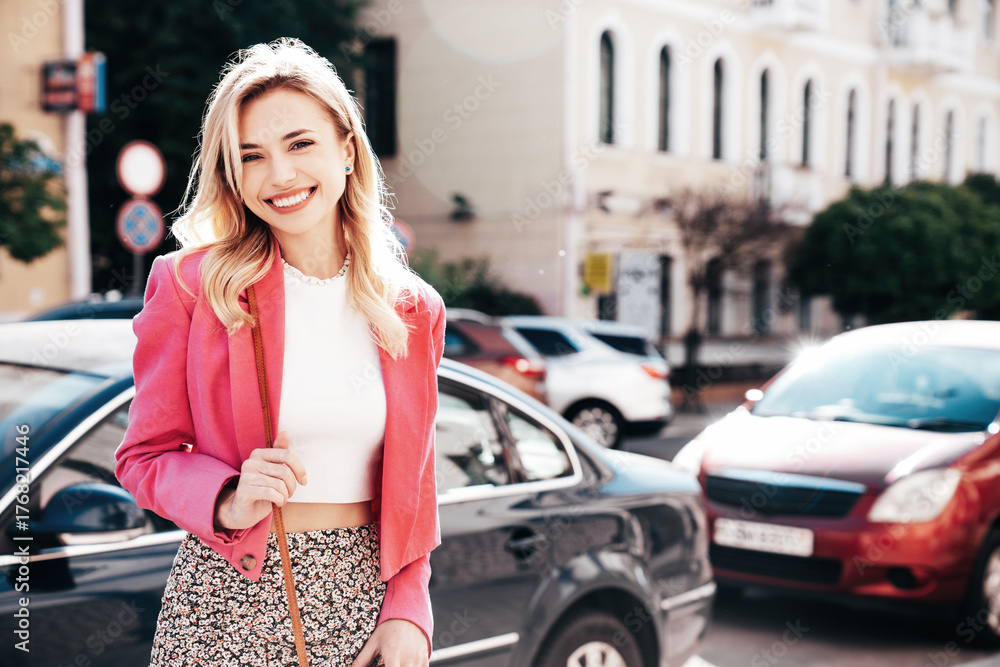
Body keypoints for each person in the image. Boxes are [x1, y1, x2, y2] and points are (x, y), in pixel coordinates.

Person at [114, 37, 445, 667]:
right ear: (233, 175)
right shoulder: (193, 286)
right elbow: (142, 457)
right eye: (252, 156)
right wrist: (229, 496)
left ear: (347, 149)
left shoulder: (412, 308)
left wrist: (410, 609)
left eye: (300, 144)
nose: (281, 176)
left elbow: (416, 485)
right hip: (228, 600)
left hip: (363, 604)